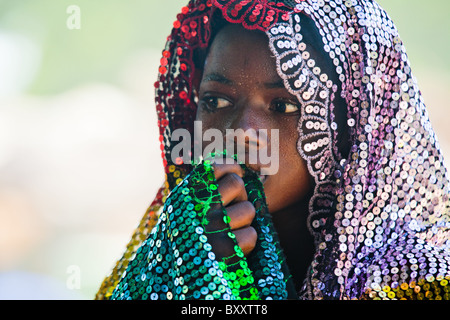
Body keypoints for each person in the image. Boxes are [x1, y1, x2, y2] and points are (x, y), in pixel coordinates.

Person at [95, 0, 450, 300]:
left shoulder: (419, 281)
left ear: (353, 129)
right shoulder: (170, 248)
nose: (241, 132)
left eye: (283, 107)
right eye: (216, 100)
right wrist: (189, 269)